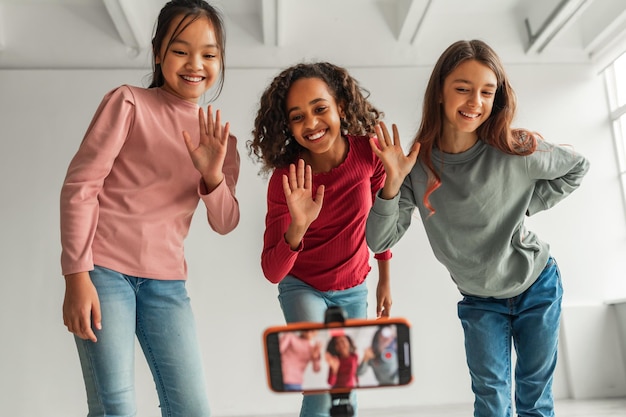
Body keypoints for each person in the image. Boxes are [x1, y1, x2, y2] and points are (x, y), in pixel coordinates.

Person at [366, 39, 590, 417]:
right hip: (479, 301)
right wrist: (391, 183)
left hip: (537, 286)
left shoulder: (514, 147)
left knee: (535, 398)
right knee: (492, 400)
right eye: (463, 89)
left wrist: (524, 207)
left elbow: (576, 167)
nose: (475, 102)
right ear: (439, 92)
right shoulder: (416, 165)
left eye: (487, 91)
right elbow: (380, 239)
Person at [60, 1, 239, 416]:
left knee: (192, 408)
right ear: (158, 52)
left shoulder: (218, 140)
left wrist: (212, 175)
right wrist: (76, 275)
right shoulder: (128, 103)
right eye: (181, 50)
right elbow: (80, 186)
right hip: (103, 272)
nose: (196, 63)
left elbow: (226, 221)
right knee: (115, 407)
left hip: (167, 284)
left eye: (209, 54)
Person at [247, 61, 392, 416]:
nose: (311, 124)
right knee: (320, 384)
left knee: (346, 386)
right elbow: (272, 271)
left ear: (341, 107)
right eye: (297, 117)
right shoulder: (288, 178)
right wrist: (298, 225)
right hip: (303, 287)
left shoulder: (368, 154)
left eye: (320, 108)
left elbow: (381, 226)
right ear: (288, 126)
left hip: (353, 287)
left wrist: (384, 279)